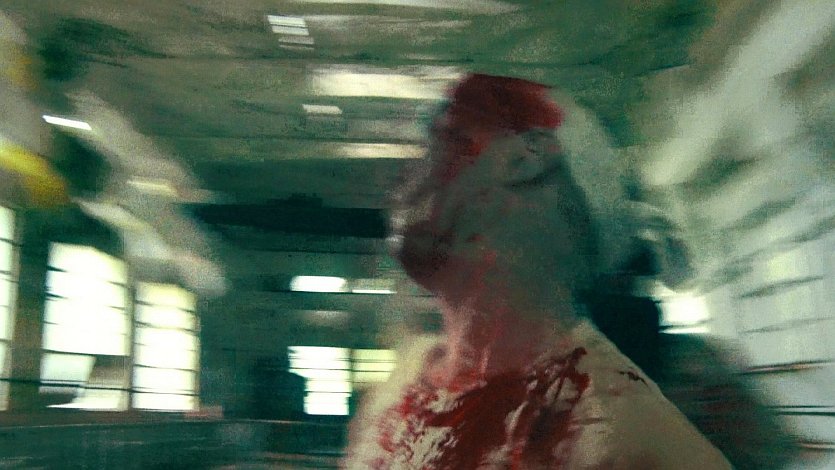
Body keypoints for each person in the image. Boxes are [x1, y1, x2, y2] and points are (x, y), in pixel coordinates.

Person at [344, 74, 731, 469]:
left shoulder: (625, 441)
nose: (404, 175)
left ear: (525, 160)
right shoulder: (400, 387)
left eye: (450, 138)